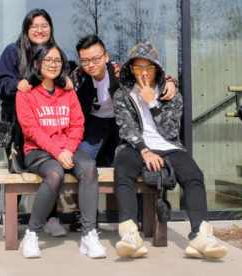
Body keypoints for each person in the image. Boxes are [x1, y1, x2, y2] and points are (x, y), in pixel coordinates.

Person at [113, 39, 228, 259]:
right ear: (131, 69)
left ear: (157, 68)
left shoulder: (171, 94)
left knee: (194, 175)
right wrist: (145, 151)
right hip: (136, 146)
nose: (143, 73)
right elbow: (126, 129)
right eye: (138, 67)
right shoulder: (122, 95)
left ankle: (200, 235)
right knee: (123, 169)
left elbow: (171, 131)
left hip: (168, 146)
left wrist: (152, 103)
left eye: (148, 67)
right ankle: (129, 234)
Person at [69, 34, 178, 230]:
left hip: (122, 119)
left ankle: (135, 219)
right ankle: (87, 219)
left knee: (132, 158)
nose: (91, 64)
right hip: (94, 121)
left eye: (96, 59)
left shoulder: (120, 70)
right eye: (85, 60)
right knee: (83, 160)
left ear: (106, 57)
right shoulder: (78, 75)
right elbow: (60, 86)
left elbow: (148, 73)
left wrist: (171, 81)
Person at [16, 42, 106, 259]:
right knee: (55, 173)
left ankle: (89, 234)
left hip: (68, 147)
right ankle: (32, 233)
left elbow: (78, 124)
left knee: (89, 168)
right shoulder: (26, 93)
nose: (53, 65)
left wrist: (68, 148)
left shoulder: (67, 91)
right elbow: (32, 129)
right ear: (37, 63)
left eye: (58, 60)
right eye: (48, 60)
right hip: (38, 150)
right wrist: (58, 152)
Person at [0, 9, 72, 237]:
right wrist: (16, 84)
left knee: (53, 167)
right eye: (34, 26)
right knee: (18, 171)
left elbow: (64, 78)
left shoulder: (57, 53)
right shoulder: (12, 51)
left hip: (51, 124)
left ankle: (51, 219)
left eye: (44, 25)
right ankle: (10, 219)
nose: (40, 30)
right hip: (18, 125)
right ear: (26, 29)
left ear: (50, 28)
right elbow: (2, 82)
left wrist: (67, 79)